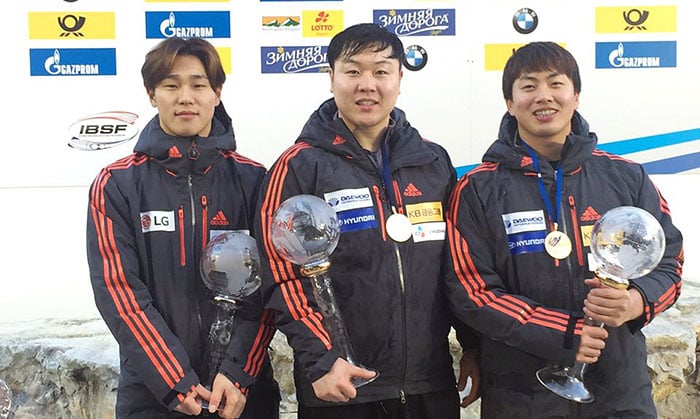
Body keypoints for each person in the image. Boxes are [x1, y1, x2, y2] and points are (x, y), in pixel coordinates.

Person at [443, 41, 684, 418]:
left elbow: (669, 263)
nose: (544, 96)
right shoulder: (476, 188)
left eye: (556, 84)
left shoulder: (626, 177)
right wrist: (564, 332)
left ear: (576, 96)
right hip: (521, 395)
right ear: (509, 102)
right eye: (528, 86)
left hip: (619, 393)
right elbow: (471, 292)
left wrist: (636, 302)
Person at [254, 23, 480, 419]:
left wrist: (474, 347)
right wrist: (323, 360)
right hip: (341, 387)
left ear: (399, 78)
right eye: (353, 71)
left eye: (380, 71)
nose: (367, 84)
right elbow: (280, 273)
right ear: (331, 78)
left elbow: (459, 268)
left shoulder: (432, 162)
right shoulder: (299, 166)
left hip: (430, 385)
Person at [86, 37, 279, 419]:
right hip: (154, 396)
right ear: (151, 94)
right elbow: (120, 293)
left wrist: (238, 373)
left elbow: (269, 285)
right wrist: (174, 380)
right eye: (171, 85)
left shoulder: (254, 180)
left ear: (217, 93)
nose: (185, 97)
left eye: (198, 84)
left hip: (241, 396)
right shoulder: (117, 183)